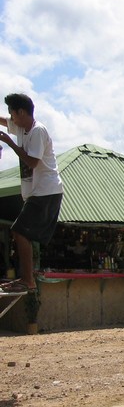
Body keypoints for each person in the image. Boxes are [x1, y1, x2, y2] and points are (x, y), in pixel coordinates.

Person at [0, 93, 63, 292]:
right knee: (21, 233)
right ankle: (27, 278)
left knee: (19, 231)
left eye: (12, 113)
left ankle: (27, 280)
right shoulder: (20, 127)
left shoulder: (37, 131)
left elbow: (33, 162)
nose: (10, 117)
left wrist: (10, 143)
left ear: (21, 112)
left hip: (46, 191)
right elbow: (3, 121)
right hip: (36, 193)